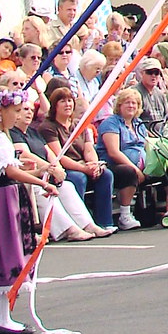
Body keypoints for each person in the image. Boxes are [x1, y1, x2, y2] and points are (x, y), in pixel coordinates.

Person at [0, 87, 59, 334]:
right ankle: (3, 319)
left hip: (4, 195)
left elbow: (10, 172)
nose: (17, 115)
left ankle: (4, 316)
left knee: (6, 251)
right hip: (4, 199)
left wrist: (41, 173)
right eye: (14, 111)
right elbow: (9, 172)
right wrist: (42, 182)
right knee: (6, 251)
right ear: (0, 111)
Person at [39, 86, 116, 232]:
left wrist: (94, 165)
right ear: (55, 105)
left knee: (106, 175)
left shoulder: (78, 125)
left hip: (83, 164)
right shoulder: (48, 127)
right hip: (65, 167)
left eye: (70, 100)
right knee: (78, 178)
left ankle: (105, 221)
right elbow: (58, 156)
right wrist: (84, 169)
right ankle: (81, 223)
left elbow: (88, 148)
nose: (68, 104)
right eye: (63, 101)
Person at [96, 88, 149, 231]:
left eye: (134, 103)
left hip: (140, 163)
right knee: (128, 172)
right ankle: (124, 216)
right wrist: (135, 169)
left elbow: (148, 144)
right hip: (114, 164)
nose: (131, 106)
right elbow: (114, 152)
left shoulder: (138, 124)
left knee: (166, 165)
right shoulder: (111, 123)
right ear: (119, 105)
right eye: (127, 102)